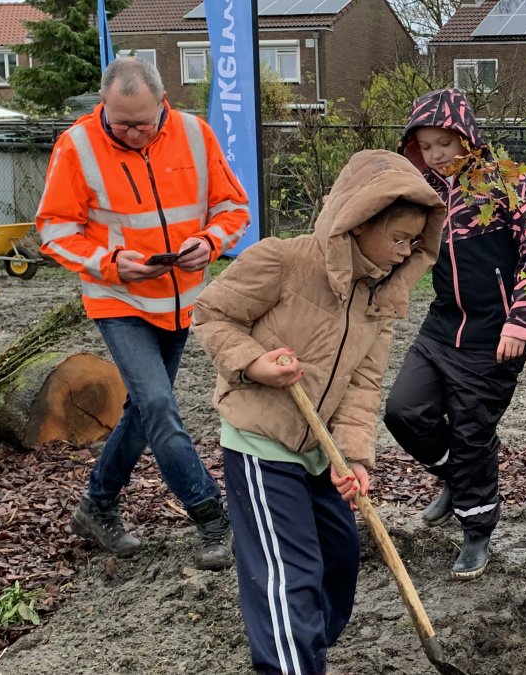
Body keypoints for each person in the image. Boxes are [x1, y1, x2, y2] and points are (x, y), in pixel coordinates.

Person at [192, 149, 444, 675]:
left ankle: (301, 648)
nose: (403, 252)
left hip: (320, 451)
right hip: (263, 443)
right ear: (358, 222)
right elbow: (212, 314)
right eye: (397, 238)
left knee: (337, 563)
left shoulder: (382, 295)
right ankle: (290, 664)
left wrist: (356, 459)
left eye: (413, 243)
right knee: (290, 573)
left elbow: (364, 383)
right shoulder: (283, 261)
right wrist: (254, 363)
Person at [35, 57, 249, 570]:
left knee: (143, 411)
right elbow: (54, 231)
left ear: (163, 106)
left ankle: (97, 505)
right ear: (102, 106)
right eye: (119, 121)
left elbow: (233, 207)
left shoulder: (195, 135)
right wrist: (110, 263)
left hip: (181, 300)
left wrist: (210, 240)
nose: (130, 132)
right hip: (119, 299)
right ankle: (210, 515)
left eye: (142, 123)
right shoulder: (77, 146)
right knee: (158, 406)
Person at [383, 89, 526, 579]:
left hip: (494, 332)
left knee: (473, 433)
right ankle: (454, 478)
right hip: (442, 323)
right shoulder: (424, 191)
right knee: (403, 410)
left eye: (443, 143)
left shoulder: (508, 182)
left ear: (466, 137)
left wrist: (520, 319)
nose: (435, 155)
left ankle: (477, 532)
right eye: (425, 146)